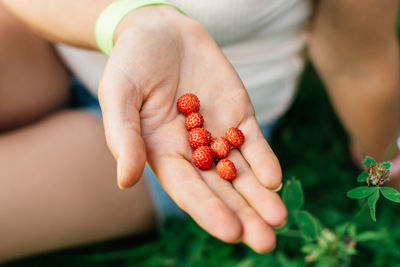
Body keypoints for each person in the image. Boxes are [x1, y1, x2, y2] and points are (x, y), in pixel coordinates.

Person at [0, 0, 399, 262]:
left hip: (169, 133)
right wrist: (132, 21)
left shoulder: (204, 135)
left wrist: (383, 155)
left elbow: (359, 61)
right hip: (55, 40)